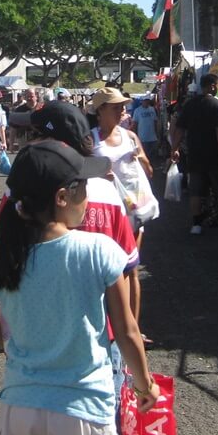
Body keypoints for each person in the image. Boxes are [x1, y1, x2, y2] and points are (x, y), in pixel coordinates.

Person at [0, 140, 159, 435]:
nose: (87, 196)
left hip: (19, 408)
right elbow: (126, 332)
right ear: (62, 197)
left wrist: (26, 328)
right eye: (83, 187)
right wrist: (145, 385)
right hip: (84, 409)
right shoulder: (98, 251)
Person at [89, 86, 155, 331]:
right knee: (105, 270)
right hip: (104, 212)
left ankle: (132, 329)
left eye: (122, 106)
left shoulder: (130, 137)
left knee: (131, 270)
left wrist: (140, 159)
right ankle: (108, 326)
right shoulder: (90, 140)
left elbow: (149, 171)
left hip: (133, 210)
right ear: (100, 110)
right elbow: (81, 175)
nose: (122, 111)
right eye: (116, 107)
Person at [169, 73, 218, 234]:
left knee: (195, 191)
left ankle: (196, 224)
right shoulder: (217, 105)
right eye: (217, 85)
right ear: (211, 86)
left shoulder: (189, 105)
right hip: (214, 155)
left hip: (195, 154)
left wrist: (174, 148)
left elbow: (180, 129)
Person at [131, 95, 160, 162]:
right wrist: (136, 136)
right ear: (142, 101)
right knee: (144, 154)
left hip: (153, 136)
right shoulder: (137, 111)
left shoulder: (152, 109)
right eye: (145, 100)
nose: (147, 102)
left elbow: (155, 121)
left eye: (148, 100)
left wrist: (157, 133)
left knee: (154, 153)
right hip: (142, 137)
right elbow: (135, 124)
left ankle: (153, 167)